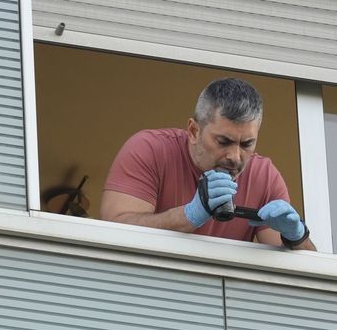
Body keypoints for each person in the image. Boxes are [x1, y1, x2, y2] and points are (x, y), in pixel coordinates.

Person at [101, 77, 316, 249]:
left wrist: (296, 237)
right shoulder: (149, 149)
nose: (235, 156)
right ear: (194, 131)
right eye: (224, 141)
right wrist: (189, 214)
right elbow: (113, 231)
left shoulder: (265, 176)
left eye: (247, 144)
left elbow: (303, 277)